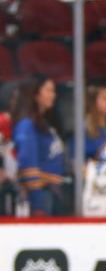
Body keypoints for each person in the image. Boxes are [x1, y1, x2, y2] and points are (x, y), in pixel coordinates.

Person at [12, 76, 66, 216]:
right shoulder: (27, 125)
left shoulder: (45, 125)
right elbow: (28, 165)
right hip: (41, 194)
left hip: (52, 192)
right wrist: (38, 205)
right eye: (48, 90)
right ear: (36, 94)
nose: (53, 95)